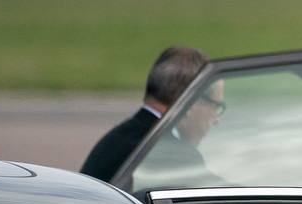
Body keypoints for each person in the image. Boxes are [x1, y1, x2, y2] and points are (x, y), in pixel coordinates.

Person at [80, 46, 208, 183]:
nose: (216, 119)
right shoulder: (177, 156)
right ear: (191, 100)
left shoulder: (114, 139)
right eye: (216, 106)